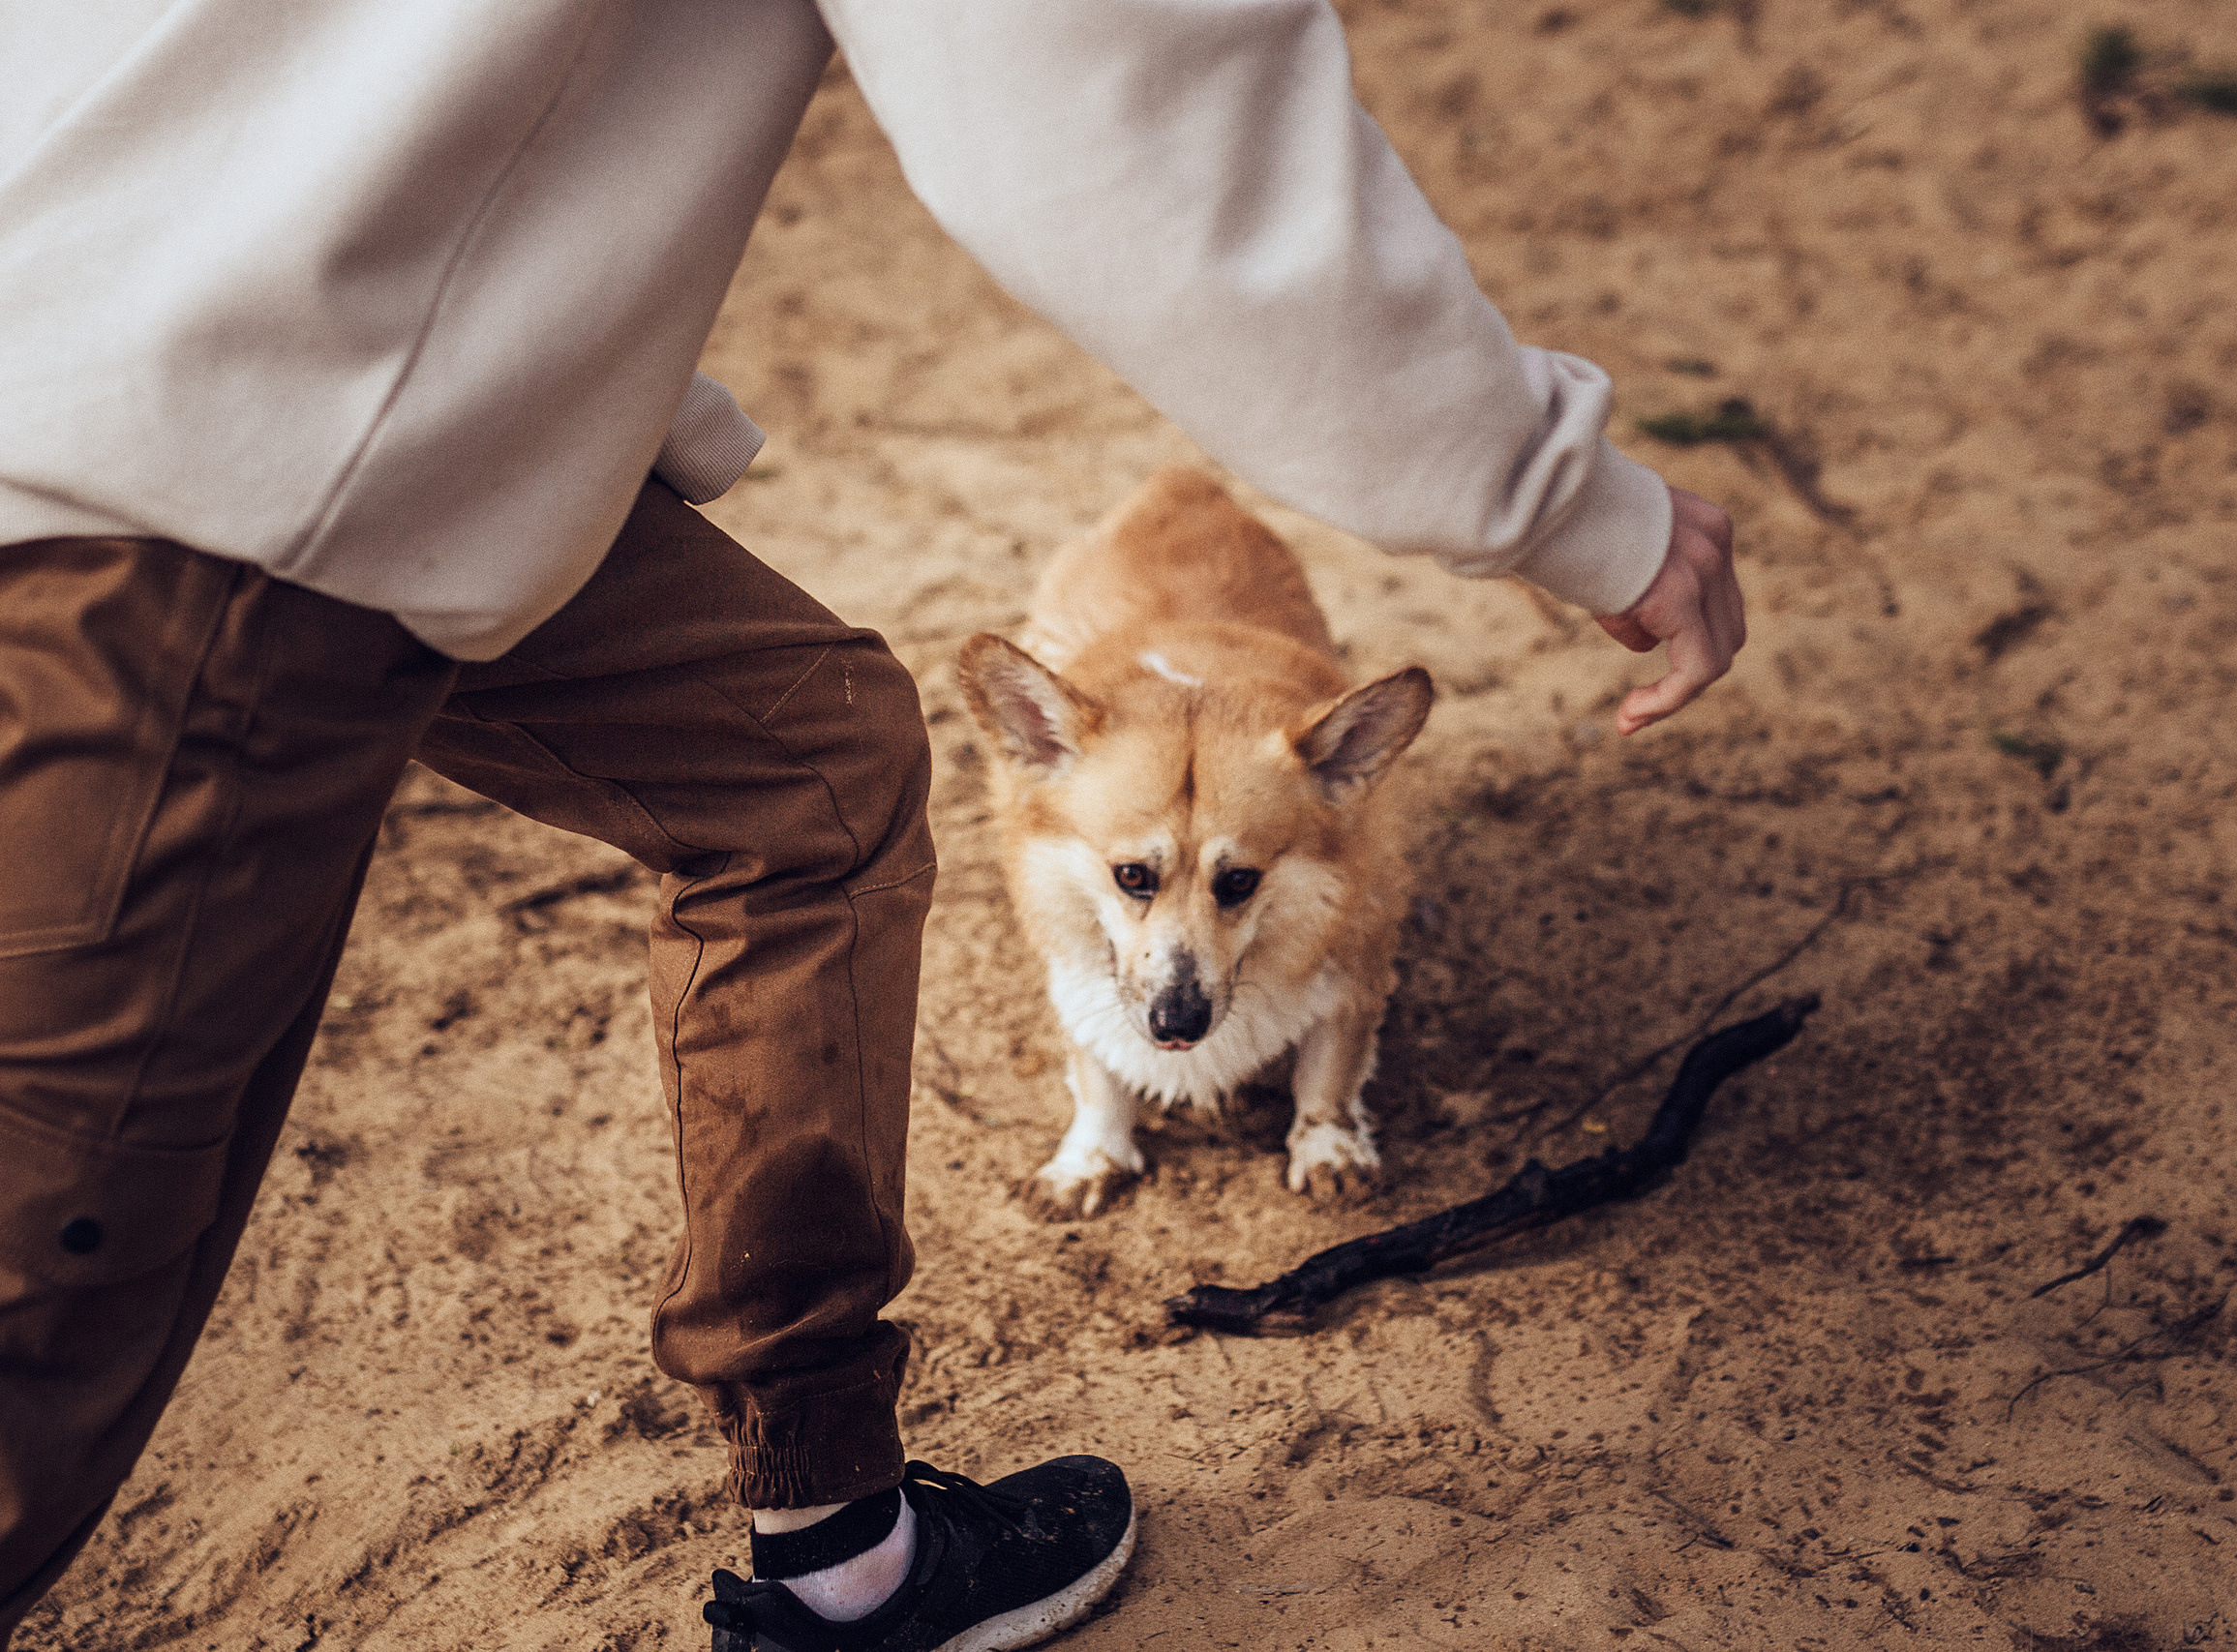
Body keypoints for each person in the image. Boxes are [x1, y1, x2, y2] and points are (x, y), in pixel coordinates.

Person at [0, 2, 1745, 1647]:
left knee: (811, 769)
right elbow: (1118, 124)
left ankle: (840, 1541)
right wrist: (1568, 503)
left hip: (292, 375)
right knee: (51, 1294)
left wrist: (563, 385)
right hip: (163, 488)